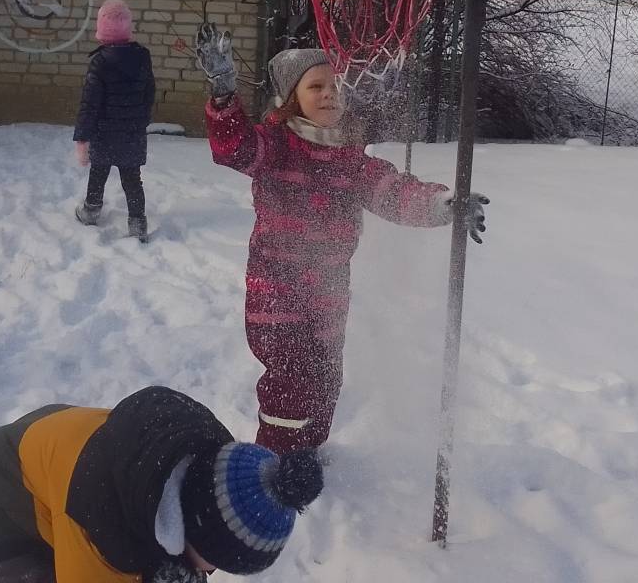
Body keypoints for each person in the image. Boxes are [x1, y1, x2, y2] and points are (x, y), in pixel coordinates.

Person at [195, 24, 490, 453]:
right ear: (291, 96)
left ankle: (310, 450)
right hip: (278, 288)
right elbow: (235, 148)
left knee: (325, 378)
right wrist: (223, 98)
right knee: (289, 382)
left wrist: (443, 206)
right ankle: (276, 460)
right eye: (316, 86)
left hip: (331, 290)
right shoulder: (276, 145)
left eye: (335, 85)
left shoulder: (349, 156)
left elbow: (392, 190)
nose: (330, 93)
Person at [0, 385, 323, 583]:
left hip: (53, 447)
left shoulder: (210, 463)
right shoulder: (103, 527)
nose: (210, 573)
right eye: (215, 563)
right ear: (195, 529)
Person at [73, 0, 156, 242]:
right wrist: (141, 119)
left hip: (104, 133)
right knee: (132, 178)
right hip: (132, 133)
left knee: (98, 172)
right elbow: (149, 93)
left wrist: (82, 138)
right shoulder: (142, 57)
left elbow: (89, 104)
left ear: (102, 30)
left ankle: (91, 210)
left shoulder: (100, 62)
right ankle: (138, 222)